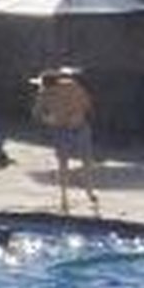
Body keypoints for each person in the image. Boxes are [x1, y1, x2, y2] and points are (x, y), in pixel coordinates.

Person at [29, 67, 100, 213]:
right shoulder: (44, 94)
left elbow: (87, 104)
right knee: (64, 163)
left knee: (85, 161)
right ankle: (64, 198)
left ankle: (89, 192)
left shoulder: (72, 87)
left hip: (78, 127)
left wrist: (77, 114)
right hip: (64, 129)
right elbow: (36, 113)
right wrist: (48, 119)